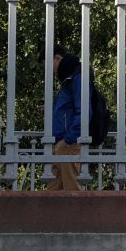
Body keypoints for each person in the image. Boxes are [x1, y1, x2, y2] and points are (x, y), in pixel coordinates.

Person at [47, 45, 83, 190]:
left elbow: (84, 111)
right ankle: (47, 213)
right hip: (62, 142)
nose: (50, 71)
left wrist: (68, 139)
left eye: (48, 65)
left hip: (68, 143)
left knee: (72, 190)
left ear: (58, 58)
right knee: (55, 190)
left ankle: (78, 213)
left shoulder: (76, 78)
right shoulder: (68, 80)